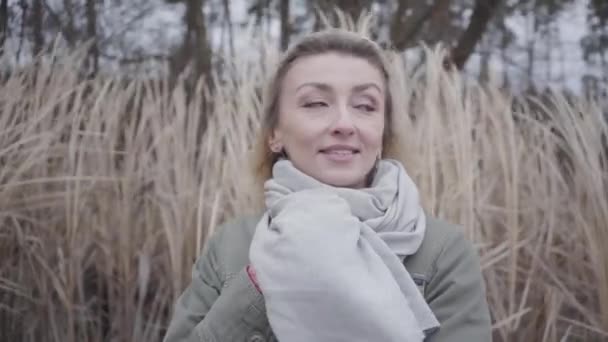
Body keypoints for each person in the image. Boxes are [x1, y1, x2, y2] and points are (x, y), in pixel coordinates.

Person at [163, 29, 492, 342]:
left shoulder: (441, 253)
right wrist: (261, 282)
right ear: (274, 133)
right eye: (316, 103)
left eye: (365, 106)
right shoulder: (230, 247)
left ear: (383, 134)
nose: (344, 124)